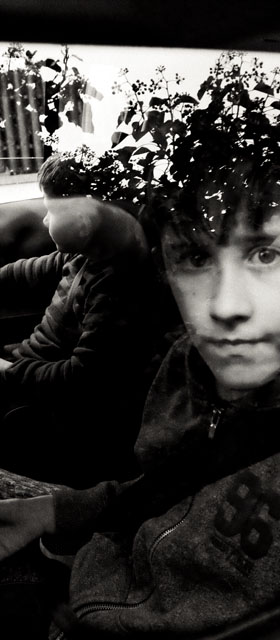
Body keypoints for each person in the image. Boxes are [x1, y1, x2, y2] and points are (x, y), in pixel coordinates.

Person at [0, 101, 280, 640]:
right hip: (98, 579)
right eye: (196, 260)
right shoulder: (190, 364)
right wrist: (55, 511)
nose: (225, 306)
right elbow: (163, 487)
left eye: (265, 255)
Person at [0, 152, 153, 487]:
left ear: (82, 220)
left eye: (51, 211)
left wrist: (10, 371)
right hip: (26, 365)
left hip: (41, 398)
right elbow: (32, 270)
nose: (44, 221)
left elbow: (80, 378)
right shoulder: (86, 252)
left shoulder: (115, 286)